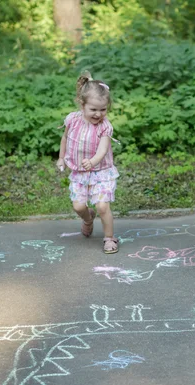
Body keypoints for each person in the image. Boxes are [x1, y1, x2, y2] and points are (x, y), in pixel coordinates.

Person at [57, 71, 120, 254]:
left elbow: (103, 149)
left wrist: (92, 161)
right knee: (78, 206)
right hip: (79, 172)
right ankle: (87, 219)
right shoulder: (73, 120)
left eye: (103, 109)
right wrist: (61, 157)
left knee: (102, 205)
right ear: (82, 104)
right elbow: (65, 139)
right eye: (93, 109)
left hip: (101, 171)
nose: (98, 114)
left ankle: (109, 238)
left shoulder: (105, 127)